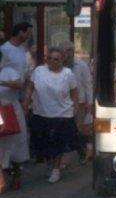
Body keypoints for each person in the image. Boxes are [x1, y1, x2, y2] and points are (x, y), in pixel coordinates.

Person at [23, 46, 82, 184]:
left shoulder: (67, 74)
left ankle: (56, 169)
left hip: (62, 114)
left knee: (58, 144)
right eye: (49, 58)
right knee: (44, 142)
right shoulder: (39, 71)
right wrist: (26, 101)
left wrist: (76, 106)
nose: (52, 61)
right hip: (41, 112)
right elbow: (30, 87)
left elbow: (74, 92)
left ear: (62, 60)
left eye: (56, 59)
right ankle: (51, 165)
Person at [0, 50, 29, 191]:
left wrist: (2, 82)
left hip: (10, 109)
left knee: (15, 142)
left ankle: (17, 174)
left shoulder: (9, 71)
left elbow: (19, 84)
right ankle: (2, 179)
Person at [61, 42, 93, 164]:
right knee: (66, 130)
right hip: (63, 103)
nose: (68, 53)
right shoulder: (59, 65)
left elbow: (87, 83)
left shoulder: (81, 65)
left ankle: (83, 152)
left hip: (79, 102)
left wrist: (89, 101)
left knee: (80, 129)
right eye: (65, 50)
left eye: (70, 50)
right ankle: (78, 152)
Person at [0, 22, 32, 100]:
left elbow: (24, 69)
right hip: (6, 91)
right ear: (21, 32)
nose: (29, 36)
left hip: (20, 90)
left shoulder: (22, 49)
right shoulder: (4, 49)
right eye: (28, 33)